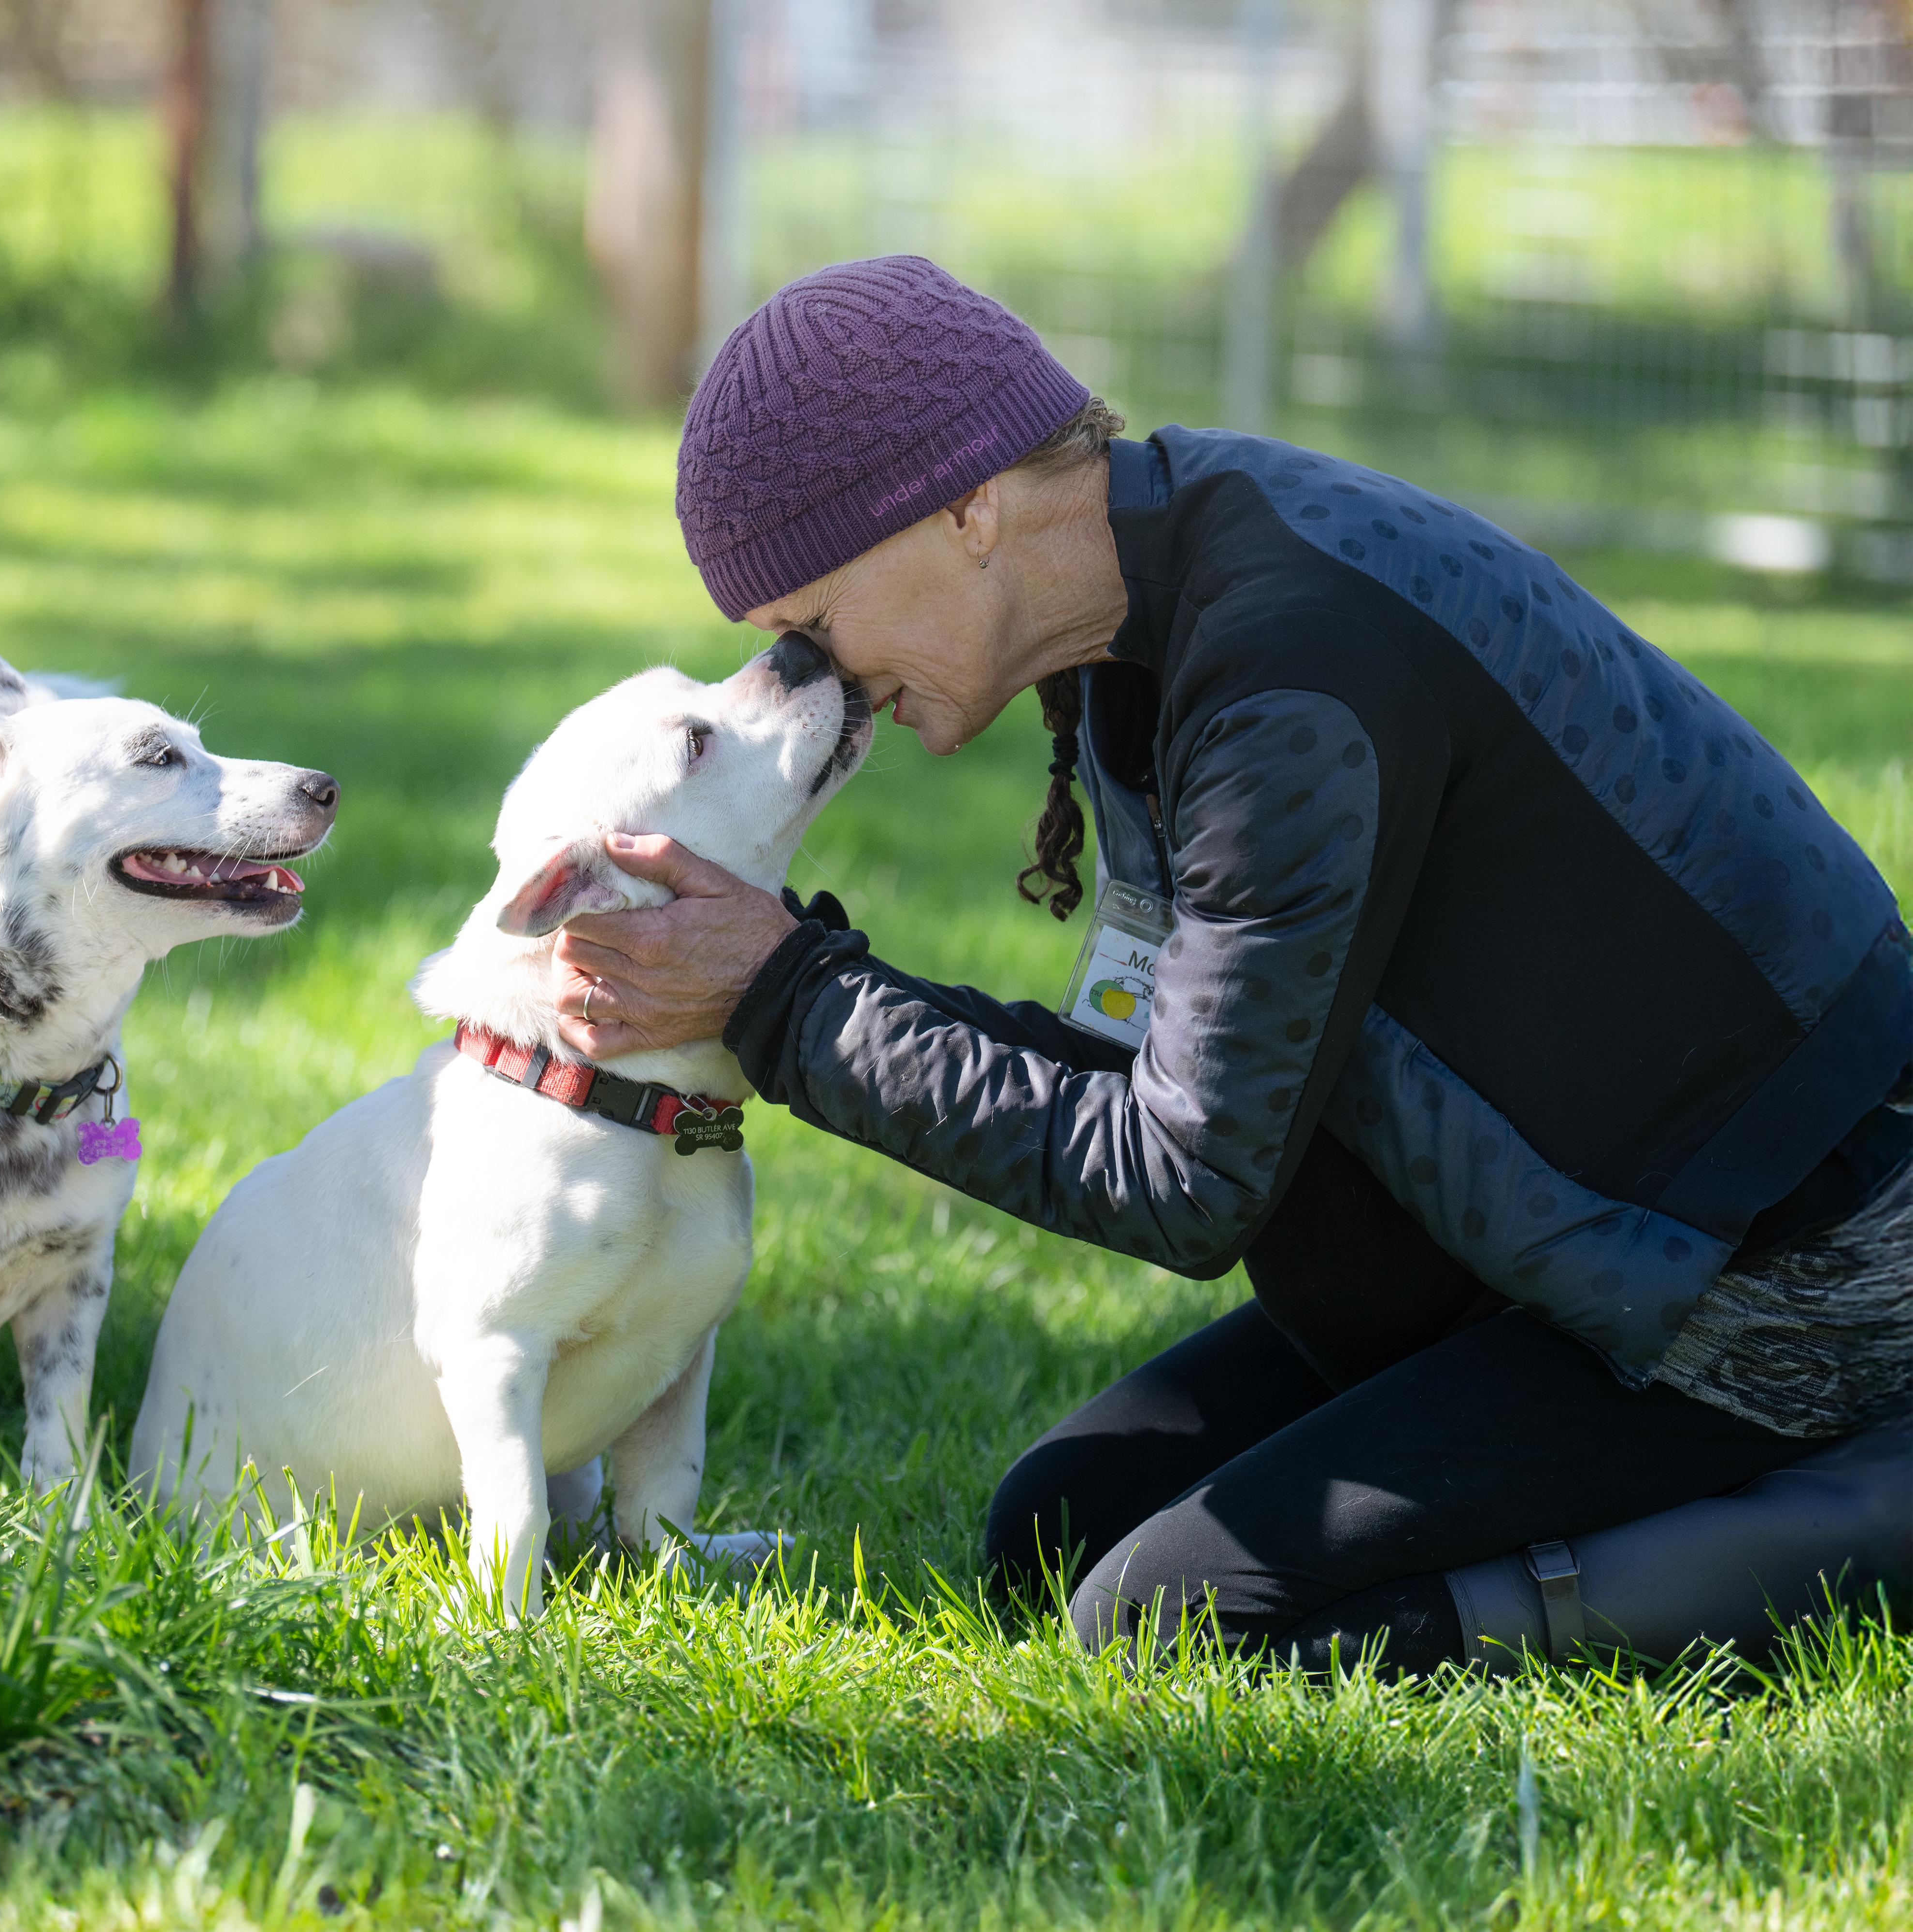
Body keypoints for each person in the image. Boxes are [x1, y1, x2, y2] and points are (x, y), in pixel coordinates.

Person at [548, 256, 1913, 1673]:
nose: (814, 673)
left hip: (1771, 1271)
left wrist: (786, 1003)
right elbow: (1178, 1068)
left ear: (964, 509)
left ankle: (1868, 1502)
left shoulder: (1289, 674)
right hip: (1550, 1253)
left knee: (1172, 1624)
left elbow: (1185, 1178)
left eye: (816, 623)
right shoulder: (1150, 594)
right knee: (1058, 1531)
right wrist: (806, 987)